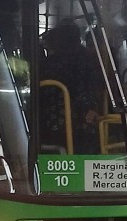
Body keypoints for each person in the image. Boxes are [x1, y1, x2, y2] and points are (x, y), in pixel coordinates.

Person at [40, 19, 100, 153]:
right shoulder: (88, 58)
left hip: (56, 119)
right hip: (78, 118)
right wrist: (90, 107)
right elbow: (90, 85)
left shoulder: (50, 63)